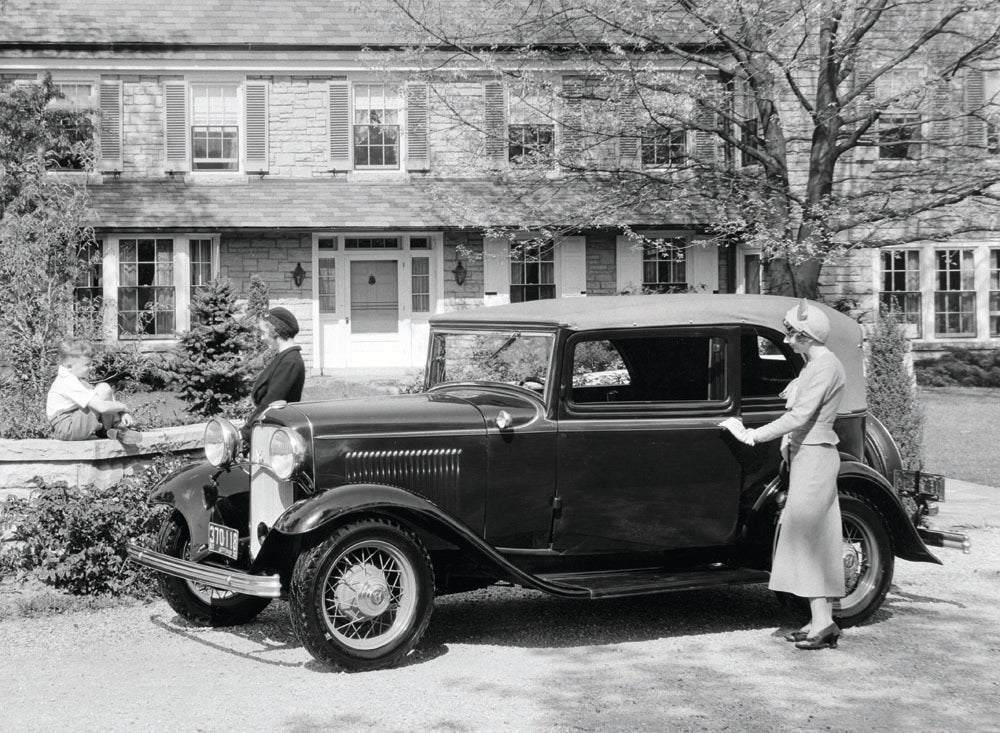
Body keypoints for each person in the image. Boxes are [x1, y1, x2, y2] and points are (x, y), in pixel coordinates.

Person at [720, 299, 846, 650]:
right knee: (807, 537)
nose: (788, 340)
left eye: (793, 335)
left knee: (807, 537)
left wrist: (752, 434)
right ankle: (821, 620)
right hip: (805, 456)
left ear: (807, 336)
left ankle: (823, 622)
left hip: (816, 457)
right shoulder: (813, 365)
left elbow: (800, 416)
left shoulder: (823, 367)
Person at [46, 339, 141, 444]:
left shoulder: (71, 377)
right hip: (68, 427)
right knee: (103, 389)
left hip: (71, 425)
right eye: (87, 365)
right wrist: (123, 407)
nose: (91, 367)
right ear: (69, 366)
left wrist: (121, 413)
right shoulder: (68, 381)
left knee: (102, 391)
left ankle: (110, 429)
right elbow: (102, 407)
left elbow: (100, 397)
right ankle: (114, 428)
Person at [241, 307, 306, 444]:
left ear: (275, 332)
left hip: (276, 436)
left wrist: (244, 433)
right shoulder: (283, 358)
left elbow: (270, 404)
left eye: (264, 332)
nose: (262, 337)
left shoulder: (290, 362)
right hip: (268, 430)